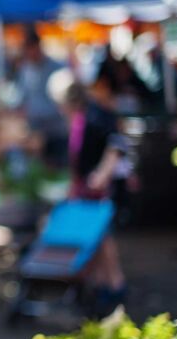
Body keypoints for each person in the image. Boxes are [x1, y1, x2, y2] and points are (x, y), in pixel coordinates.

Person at [48, 67, 128, 318]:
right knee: (98, 239)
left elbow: (117, 143)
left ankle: (115, 287)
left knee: (103, 237)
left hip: (100, 191)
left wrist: (102, 173)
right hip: (85, 190)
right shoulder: (79, 117)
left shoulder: (95, 115)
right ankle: (104, 286)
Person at [15, 31, 69, 168]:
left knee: (58, 168)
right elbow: (22, 98)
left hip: (56, 132)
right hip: (35, 132)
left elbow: (65, 103)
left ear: (39, 46)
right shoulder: (25, 70)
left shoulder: (57, 68)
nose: (30, 54)